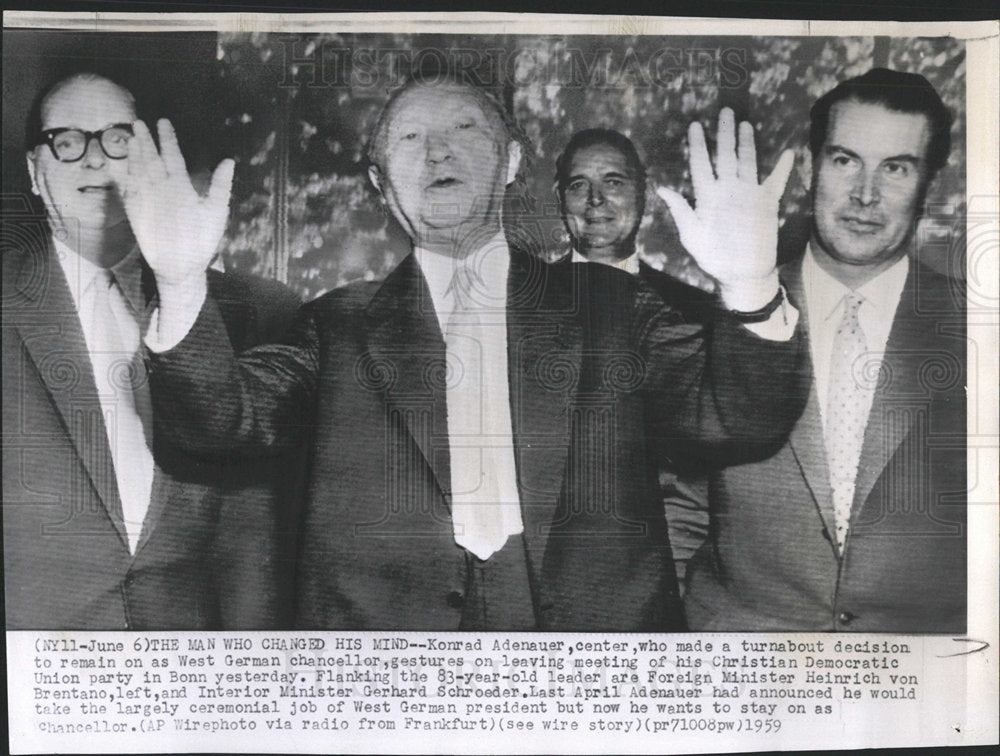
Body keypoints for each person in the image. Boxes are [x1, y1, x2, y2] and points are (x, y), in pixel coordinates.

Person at [140, 74, 807, 631]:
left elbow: (740, 417)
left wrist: (750, 284)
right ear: (378, 182)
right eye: (409, 139)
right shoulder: (333, 325)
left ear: (512, 161)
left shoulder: (611, 303)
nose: (437, 154)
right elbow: (221, 425)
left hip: (591, 673)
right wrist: (177, 285)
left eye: (464, 131)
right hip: (391, 678)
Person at [2, 72, 301, 629]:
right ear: (34, 175)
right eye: (66, 142)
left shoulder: (256, 313)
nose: (95, 161)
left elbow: (253, 518)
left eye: (118, 138)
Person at [683, 68, 967, 632]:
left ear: (928, 183)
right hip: (744, 667)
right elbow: (680, 502)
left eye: (896, 168)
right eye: (845, 160)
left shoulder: (976, 326)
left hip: (919, 678)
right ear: (811, 167)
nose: (865, 195)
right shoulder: (726, 308)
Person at [553, 127, 713, 586]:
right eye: (579, 184)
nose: (596, 200)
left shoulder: (695, 312)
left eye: (614, 182)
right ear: (560, 198)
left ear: (642, 194)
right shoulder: (521, 304)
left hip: (657, 566)